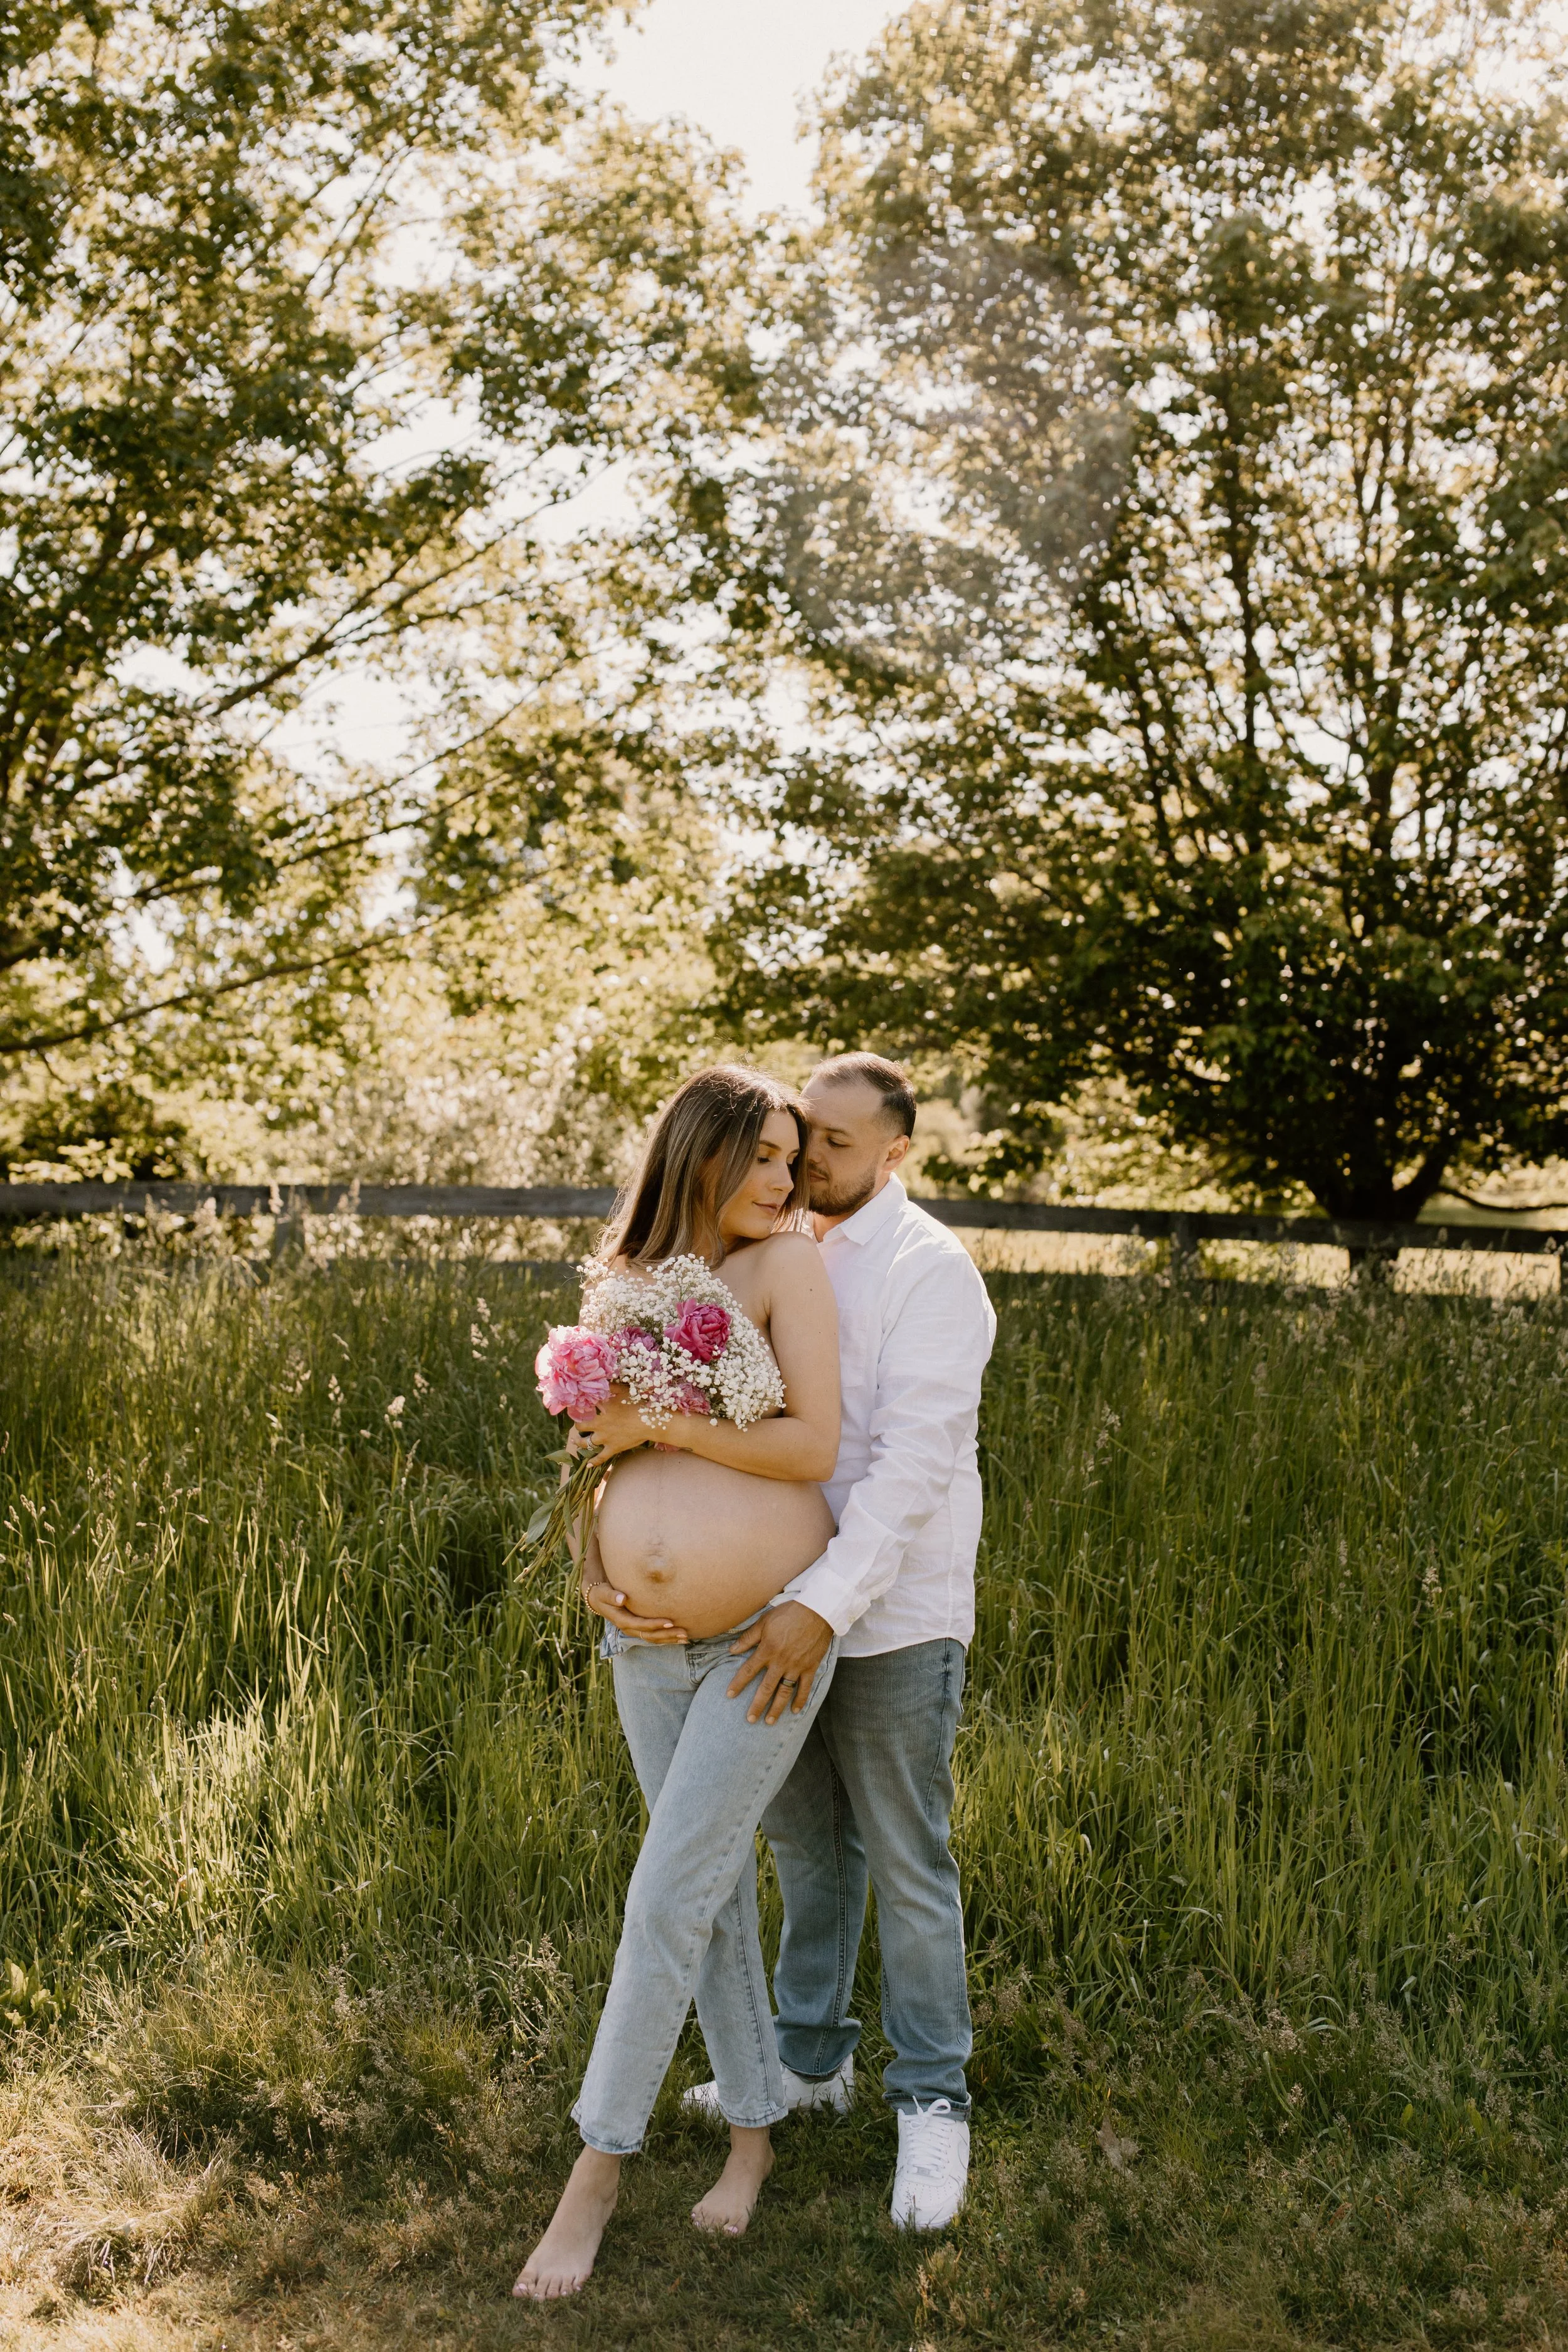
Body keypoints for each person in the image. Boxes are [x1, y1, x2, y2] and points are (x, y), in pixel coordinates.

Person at [514, 1064, 842, 2301]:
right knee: (699, 1892)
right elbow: (595, 1456)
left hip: (760, 1641)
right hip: (639, 1643)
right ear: (693, 1153)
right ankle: (751, 2131)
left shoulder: (783, 1267)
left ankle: (593, 2174)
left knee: (663, 1896)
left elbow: (809, 1440)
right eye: (757, 1156)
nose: (778, 1180)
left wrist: (662, 1431)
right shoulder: (624, 1279)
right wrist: (596, 1569)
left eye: (791, 1159)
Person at [680, 1053, 997, 2230]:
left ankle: (934, 2102)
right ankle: (812, 2060)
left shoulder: (932, 1273)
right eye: (807, 1139)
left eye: (842, 1148)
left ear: (899, 1152)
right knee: (808, 1849)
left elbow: (912, 1468)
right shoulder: (775, 1241)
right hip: (775, 1609)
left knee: (909, 1859)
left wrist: (823, 1605)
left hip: (889, 1613)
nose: (813, 1163)